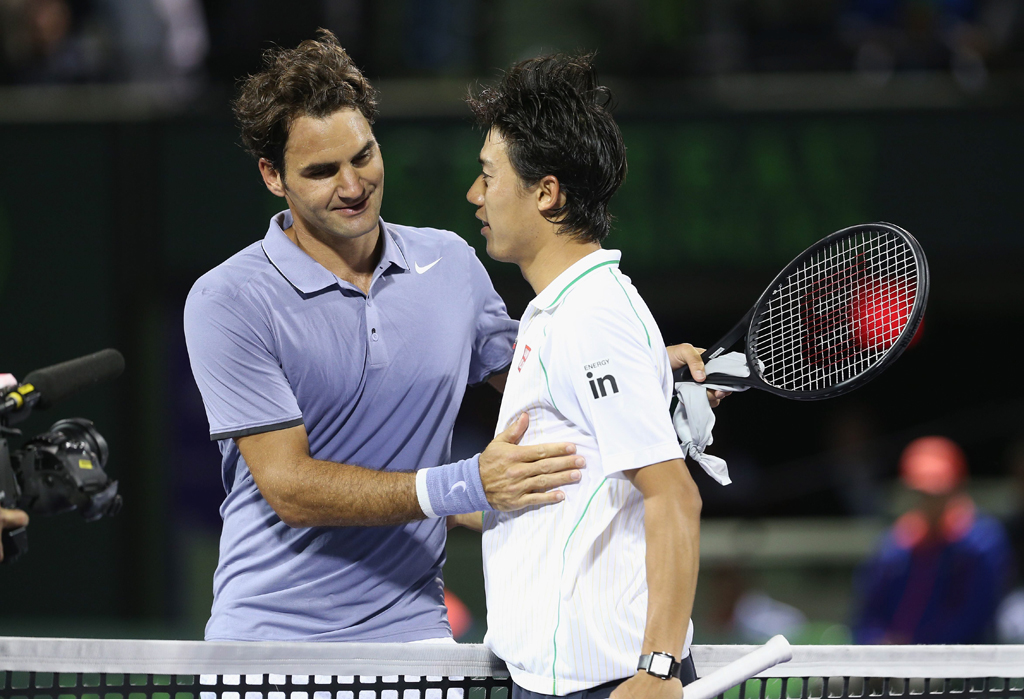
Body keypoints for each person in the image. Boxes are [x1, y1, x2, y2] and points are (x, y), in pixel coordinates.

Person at [184, 31, 716, 643]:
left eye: (363, 156)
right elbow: (289, 487)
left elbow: (538, 367)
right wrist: (464, 484)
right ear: (272, 176)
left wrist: (642, 364)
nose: (353, 185)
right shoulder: (227, 300)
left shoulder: (451, 263)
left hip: (415, 637)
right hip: (269, 644)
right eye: (322, 171)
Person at [456, 55, 702, 699]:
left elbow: (674, 498)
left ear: (546, 192)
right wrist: (444, 504)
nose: (475, 196)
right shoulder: (560, 313)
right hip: (548, 682)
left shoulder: (594, 318)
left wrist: (658, 671)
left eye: (488, 176)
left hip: (609, 684)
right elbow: (569, 502)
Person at [852, 435, 1012, 644]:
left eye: (938, 491)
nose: (930, 501)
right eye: (922, 492)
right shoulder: (893, 546)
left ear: (957, 487)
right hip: (887, 666)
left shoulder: (982, 543)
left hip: (955, 666)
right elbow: (866, 617)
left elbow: (973, 618)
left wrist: (919, 651)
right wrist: (877, 648)